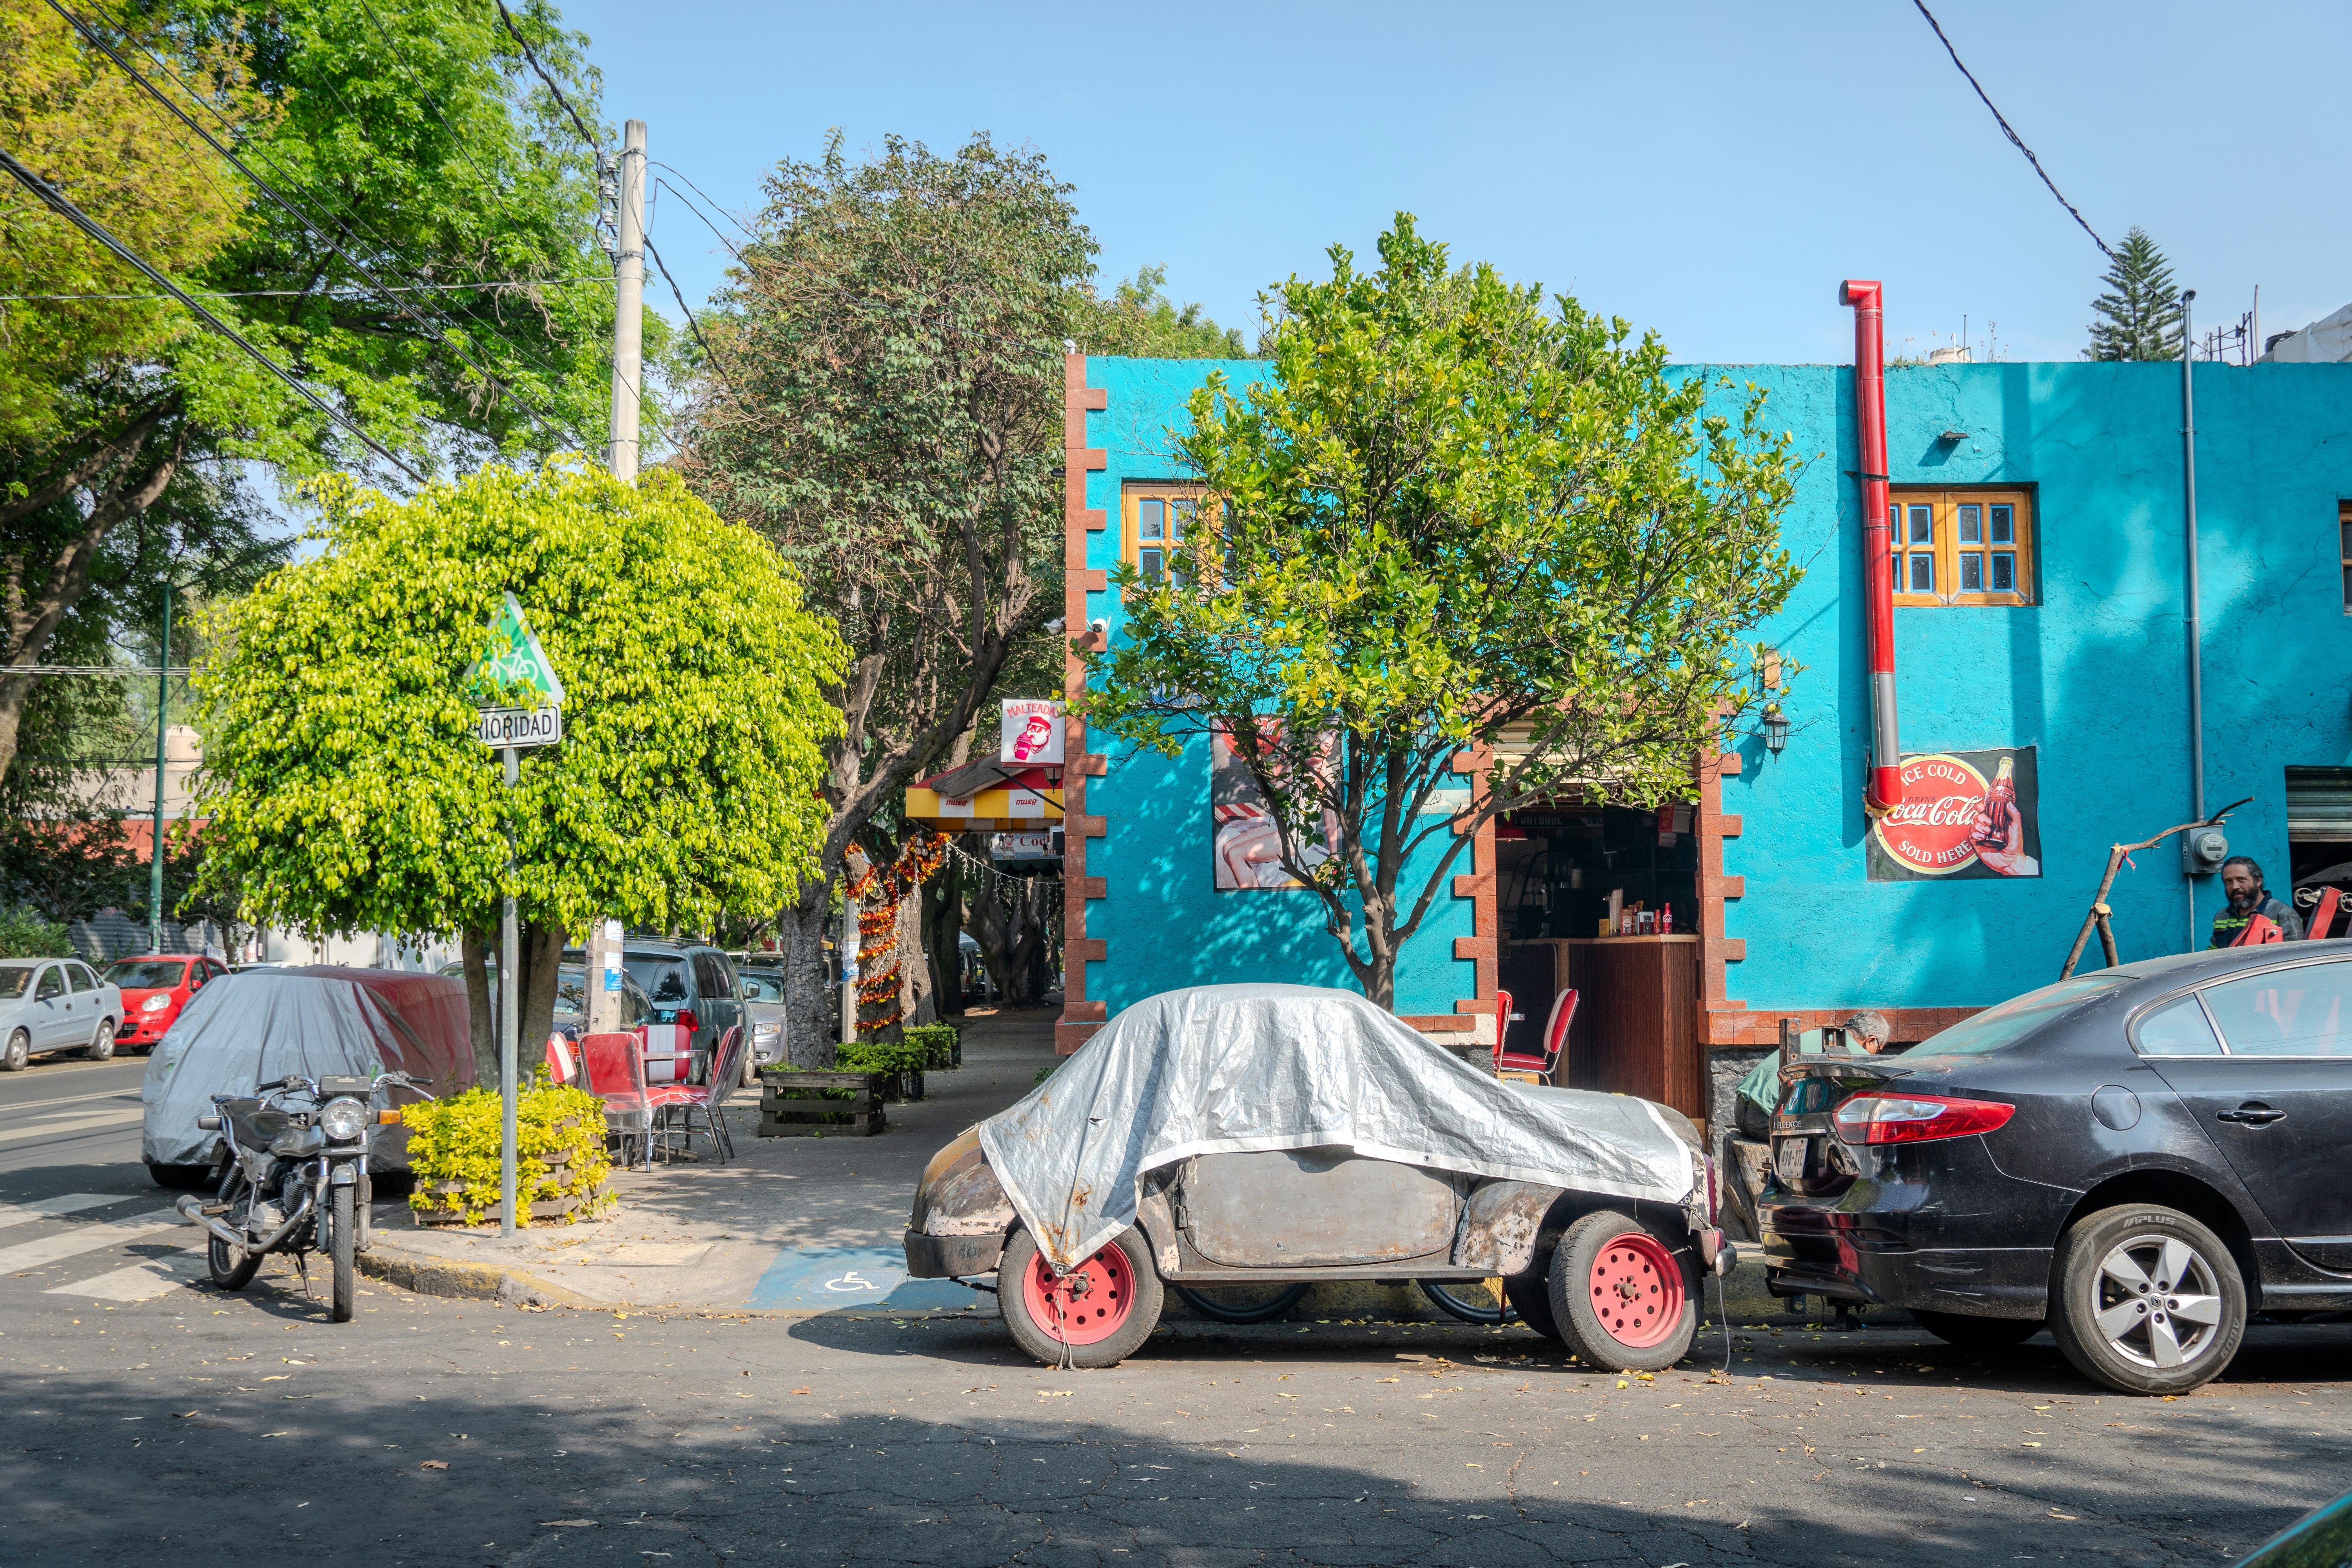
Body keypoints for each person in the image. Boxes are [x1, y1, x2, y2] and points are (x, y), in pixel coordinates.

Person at [1733, 1011, 1893, 1138]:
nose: (1876, 1053)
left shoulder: (1819, 1035)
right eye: (1879, 1048)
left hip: (1741, 1111)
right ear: (1871, 1041)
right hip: (1767, 1121)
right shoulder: (1858, 1056)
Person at [2209, 855, 2303, 947]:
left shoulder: (2283, 914)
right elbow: (2214, 951)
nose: (2235, 887)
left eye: (2241, 880)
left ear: (2258, 881)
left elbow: (2293, 955)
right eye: (2229, 882)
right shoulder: (2222, 916)